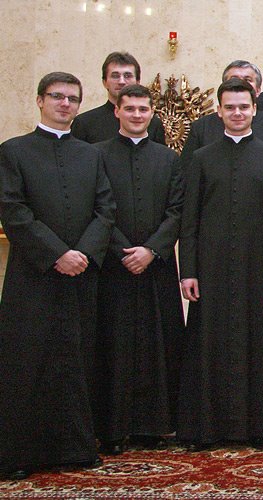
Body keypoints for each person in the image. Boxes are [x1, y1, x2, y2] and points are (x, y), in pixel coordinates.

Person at [0, 72, 114, 480]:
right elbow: (13, 210)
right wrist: (57, 254)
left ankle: (76, 447)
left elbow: (106, 209)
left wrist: (82, 253)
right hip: (34, 277)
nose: (65, 104)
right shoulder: (13, 151)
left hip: (80, 275)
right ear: (39, 100)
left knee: (77, 360)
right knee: (28, 361)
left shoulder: (91, 155)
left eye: (72, 99)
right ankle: (19, 454)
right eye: (57, 97)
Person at [177, 78, 263, 451]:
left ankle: (260, 429)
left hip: (258, 269)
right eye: (230, 107)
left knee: (259, 345)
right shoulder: (201, 158)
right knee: (207, 345)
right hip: (210, 269)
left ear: (255, 110)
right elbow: (189, 221)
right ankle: (205, 429)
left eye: (244, 106)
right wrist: (188, 271)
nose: (237, 113)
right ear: (219, 111)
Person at [93, 84, 184, 455]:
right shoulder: (97, 155)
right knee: (112, 345)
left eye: (143, 109)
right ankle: (112, 430)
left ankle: (153, 427)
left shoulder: (169, 158)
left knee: (155, 345)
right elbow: (97, 209)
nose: (136, 115)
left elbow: (177, 210)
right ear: (117, 110)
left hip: (156, 267)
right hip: (112, 269)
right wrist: (122, 250)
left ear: (152, 114)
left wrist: (151, 250)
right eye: (129, 108)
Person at [71, 51, 166, 145]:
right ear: (105, 82)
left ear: (137, 82)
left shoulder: (153, 124)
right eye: (115, 76)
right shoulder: (84, 123)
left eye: (127, 76)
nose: (121, 81)